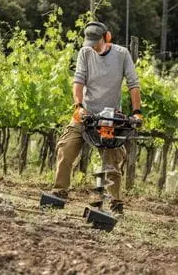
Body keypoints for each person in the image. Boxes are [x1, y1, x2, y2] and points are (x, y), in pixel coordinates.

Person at [53, 21, 142, 215]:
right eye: (90, 42)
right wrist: (79, 106)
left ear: (107, 37)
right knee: (66, 147)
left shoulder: (122, 54)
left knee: (111, 161)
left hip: (110, 117)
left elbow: (133, 84)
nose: (94, 46)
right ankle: (59, 192)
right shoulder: (85, 53)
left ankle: (115, 203)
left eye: (97, 42)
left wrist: (137, 112)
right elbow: (78, 81)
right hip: (86, 113)